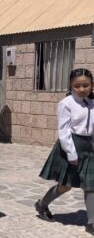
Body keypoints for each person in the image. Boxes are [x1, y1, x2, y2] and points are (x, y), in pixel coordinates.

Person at [36, 68, 94, 235]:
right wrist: (71, 153)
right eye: (77, 86)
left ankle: (91, 223)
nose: (82, 89)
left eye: (86, 85)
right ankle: (42, 204)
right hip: (71, 145)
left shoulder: (92, 102)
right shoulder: (66, 103)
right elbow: (63, 130)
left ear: (92, 85)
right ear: (71, 85)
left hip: (89, 146)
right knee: (65, 186)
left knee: (91, 186)